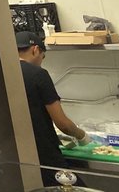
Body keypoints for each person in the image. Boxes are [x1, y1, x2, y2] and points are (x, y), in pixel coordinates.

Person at [17, 31, 91, 186]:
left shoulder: (4, 72)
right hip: (44, 154)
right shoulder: (38, 74)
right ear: (35, 49)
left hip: (19, 154)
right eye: (42, 57)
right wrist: (82, 136)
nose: (41, 62)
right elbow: (63, 124)